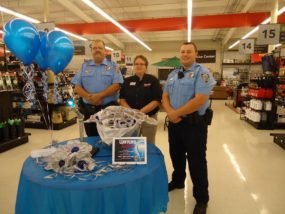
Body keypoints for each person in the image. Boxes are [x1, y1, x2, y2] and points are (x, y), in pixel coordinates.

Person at [162, 42, 216, 214]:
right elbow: (165, 96)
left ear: (195, 54)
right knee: (176, 155)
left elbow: (200, 99)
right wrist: (171, 113)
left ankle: (201, 198)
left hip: (194, 125)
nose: (185, 54)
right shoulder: (172, 74)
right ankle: (178, 181)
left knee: (197, 161)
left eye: (189, 52)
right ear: (179, 54)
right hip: (175, 124)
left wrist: (176, 113)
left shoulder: (203, 73)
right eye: (182, 51)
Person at [71, 39, 123, 137]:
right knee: (91, 138)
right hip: (89, 111)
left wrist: (99, 96)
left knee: (110, 138)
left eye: (100, 48)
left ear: (105, 51)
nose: (97, 50)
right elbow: (77, 86)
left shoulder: (113, 66)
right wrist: (89, 97)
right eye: (94, 48)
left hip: (109, 111)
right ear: (91, 51)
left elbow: (117, 85)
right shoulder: (84, 67)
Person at [119, 55, 162, 144]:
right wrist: (132, 112)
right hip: (131, 119)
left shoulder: (153, 80)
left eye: (142, 64)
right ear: (134, 66)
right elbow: (122, 99)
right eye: (136, 64)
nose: (139, 66)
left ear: (146, 66)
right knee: (132, 144)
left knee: (149, 144)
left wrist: (140, 112)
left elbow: (157, 100)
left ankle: (150, 158)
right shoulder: (127, 81)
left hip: (148, 118)